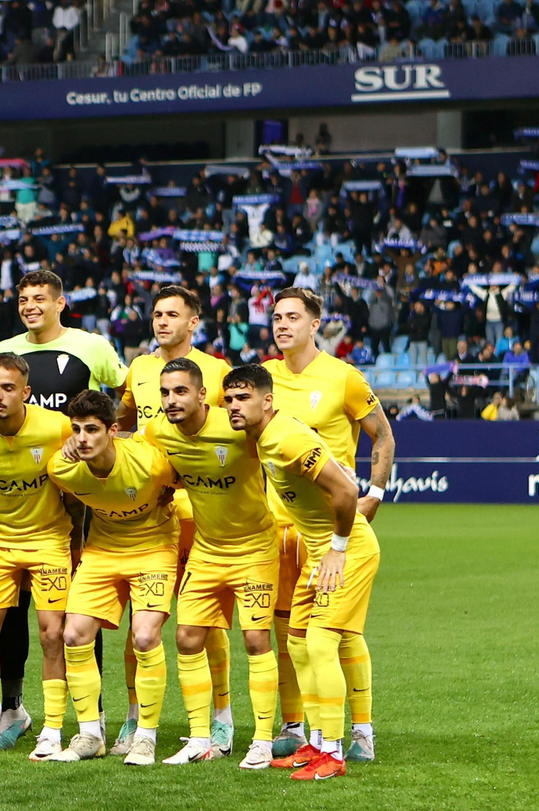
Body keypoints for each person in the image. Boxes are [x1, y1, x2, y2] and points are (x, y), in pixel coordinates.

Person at [0, 269, 127, 747]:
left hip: (77, 497)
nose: (30, 306)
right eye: (23, 299)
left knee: (80, 603)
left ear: (60, 302)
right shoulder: (7, 348)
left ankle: (94, 712)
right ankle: (13, 707)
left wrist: (110, 442)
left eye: (39, 298)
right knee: (12, 607)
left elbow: (125, 396)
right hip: (20, 498)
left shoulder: (91, 346)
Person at [226, 363, 380, 782]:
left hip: (347, 551)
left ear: (267, 401)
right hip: (318, 553)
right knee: (296, 643)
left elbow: (346, 489)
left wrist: (338, 549)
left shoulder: (287, 438)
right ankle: (315, 741)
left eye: (243, 398)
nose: (234, 406)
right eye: (230, 399)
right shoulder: (263, 437)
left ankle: (333, 751)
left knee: (321, 643)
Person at [260, 287, 392, 763]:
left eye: (293, 317)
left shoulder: (344, 378)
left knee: (339, 634)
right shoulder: (264, 378)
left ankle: (359, 731)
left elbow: (383, 435)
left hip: (330, 528)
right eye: (277, 317)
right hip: (278, 526)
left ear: (315, 324)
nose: (282, 325)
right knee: (289, 634)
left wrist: (375, 493)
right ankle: (299, 727)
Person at [112, 284, 234, 754]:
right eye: (157, 314)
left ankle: (221, 717)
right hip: (148, 515)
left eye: (172, 315)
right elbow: (124, 420)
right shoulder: (140, 369)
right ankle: (134, 718)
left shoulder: (217, 371)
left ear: (193, 322)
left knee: (206, 622)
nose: (162, 322)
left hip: (202, 512)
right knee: (138, 624)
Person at [145, 358, 281, 768]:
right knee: (187, 638)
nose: (171, 400)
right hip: (207, 550)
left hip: (255, 547)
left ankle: (262, 740)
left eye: (180, 391)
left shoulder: (237, 425)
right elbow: (144, 460)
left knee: (255, 640)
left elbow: (282, 444)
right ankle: (200, 738)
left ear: (203, 394)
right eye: (165, 392)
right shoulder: (158, 431)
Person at [46, 390, 177, 765]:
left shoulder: (149, 463)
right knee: (73, 634)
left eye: (92, 429)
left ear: (113, 431)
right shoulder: (62, 469)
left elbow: (185, 481)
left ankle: (145, 737)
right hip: (102, 550)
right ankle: (90, 735)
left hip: (154, 547)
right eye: (76, 430)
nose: (82, 438)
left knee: (145, 636)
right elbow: (73, 506)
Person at [0, 354, 76, 760]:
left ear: (26, 392)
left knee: (52, 635)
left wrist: (79, 543)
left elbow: (78, 481)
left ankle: (53, 731)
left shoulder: (56, 427)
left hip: (48, 541)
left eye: (8, 388)